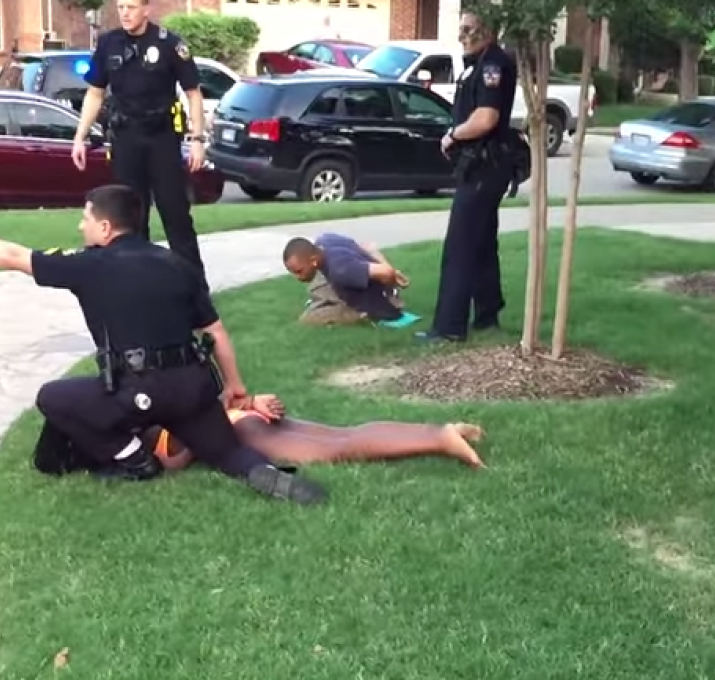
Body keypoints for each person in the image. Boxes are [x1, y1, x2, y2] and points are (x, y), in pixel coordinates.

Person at [0, 184, 327, 506]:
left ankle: (134, 460)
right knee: (228, 453)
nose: (80, 226)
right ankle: (267, 475)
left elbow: (11, 255)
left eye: (85, 219)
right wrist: (235, 386)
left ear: (105, 227)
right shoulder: (178, 265)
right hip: (193, 389)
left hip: (140, 394)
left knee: (53, 397)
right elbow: (215, 332)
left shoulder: (90, 265)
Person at [70, 0, 208, 282]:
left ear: (146, 9)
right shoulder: (109, 44)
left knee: (176, 216)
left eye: (131, 7)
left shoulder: (170, 44)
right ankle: (140, 285)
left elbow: (193, 93)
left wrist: (197, 139)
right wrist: (80, 136)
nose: (125, 13)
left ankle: (195, 295)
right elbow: (95, 93)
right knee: (130, 218)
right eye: (121, 7)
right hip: (126, 139)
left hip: (162, 139)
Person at [415, 9, 519, 344]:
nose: (461, 35)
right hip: (479, 166)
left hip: (485, 166)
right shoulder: (479, 64)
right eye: (460, 28)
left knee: (460, 245)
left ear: (486, 30)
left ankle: (448, 328)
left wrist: (452, 136)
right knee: (482, 242)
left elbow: (486, 118)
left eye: (468, 29)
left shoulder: (493, 65)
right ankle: (488, 314)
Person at [142, 393, 486, 470]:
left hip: (241, 426)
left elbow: (177, 456)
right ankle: (440, 432)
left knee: (340, 448)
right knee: (343, 435)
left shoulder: (144, 427)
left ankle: (441, 438)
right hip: (239, 416)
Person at [282, 234, 421, 329]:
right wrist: (388, 268)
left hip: (379, 302)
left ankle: (362, 315)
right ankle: (326, 300)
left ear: (313, 260)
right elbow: (367, 246)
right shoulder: (325, 240)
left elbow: (386, 273)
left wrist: (391, 280)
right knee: (316, 287)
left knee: (308, 319)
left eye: (299, 271)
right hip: (356, 280)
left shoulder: (341, 269)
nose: (298, 277)